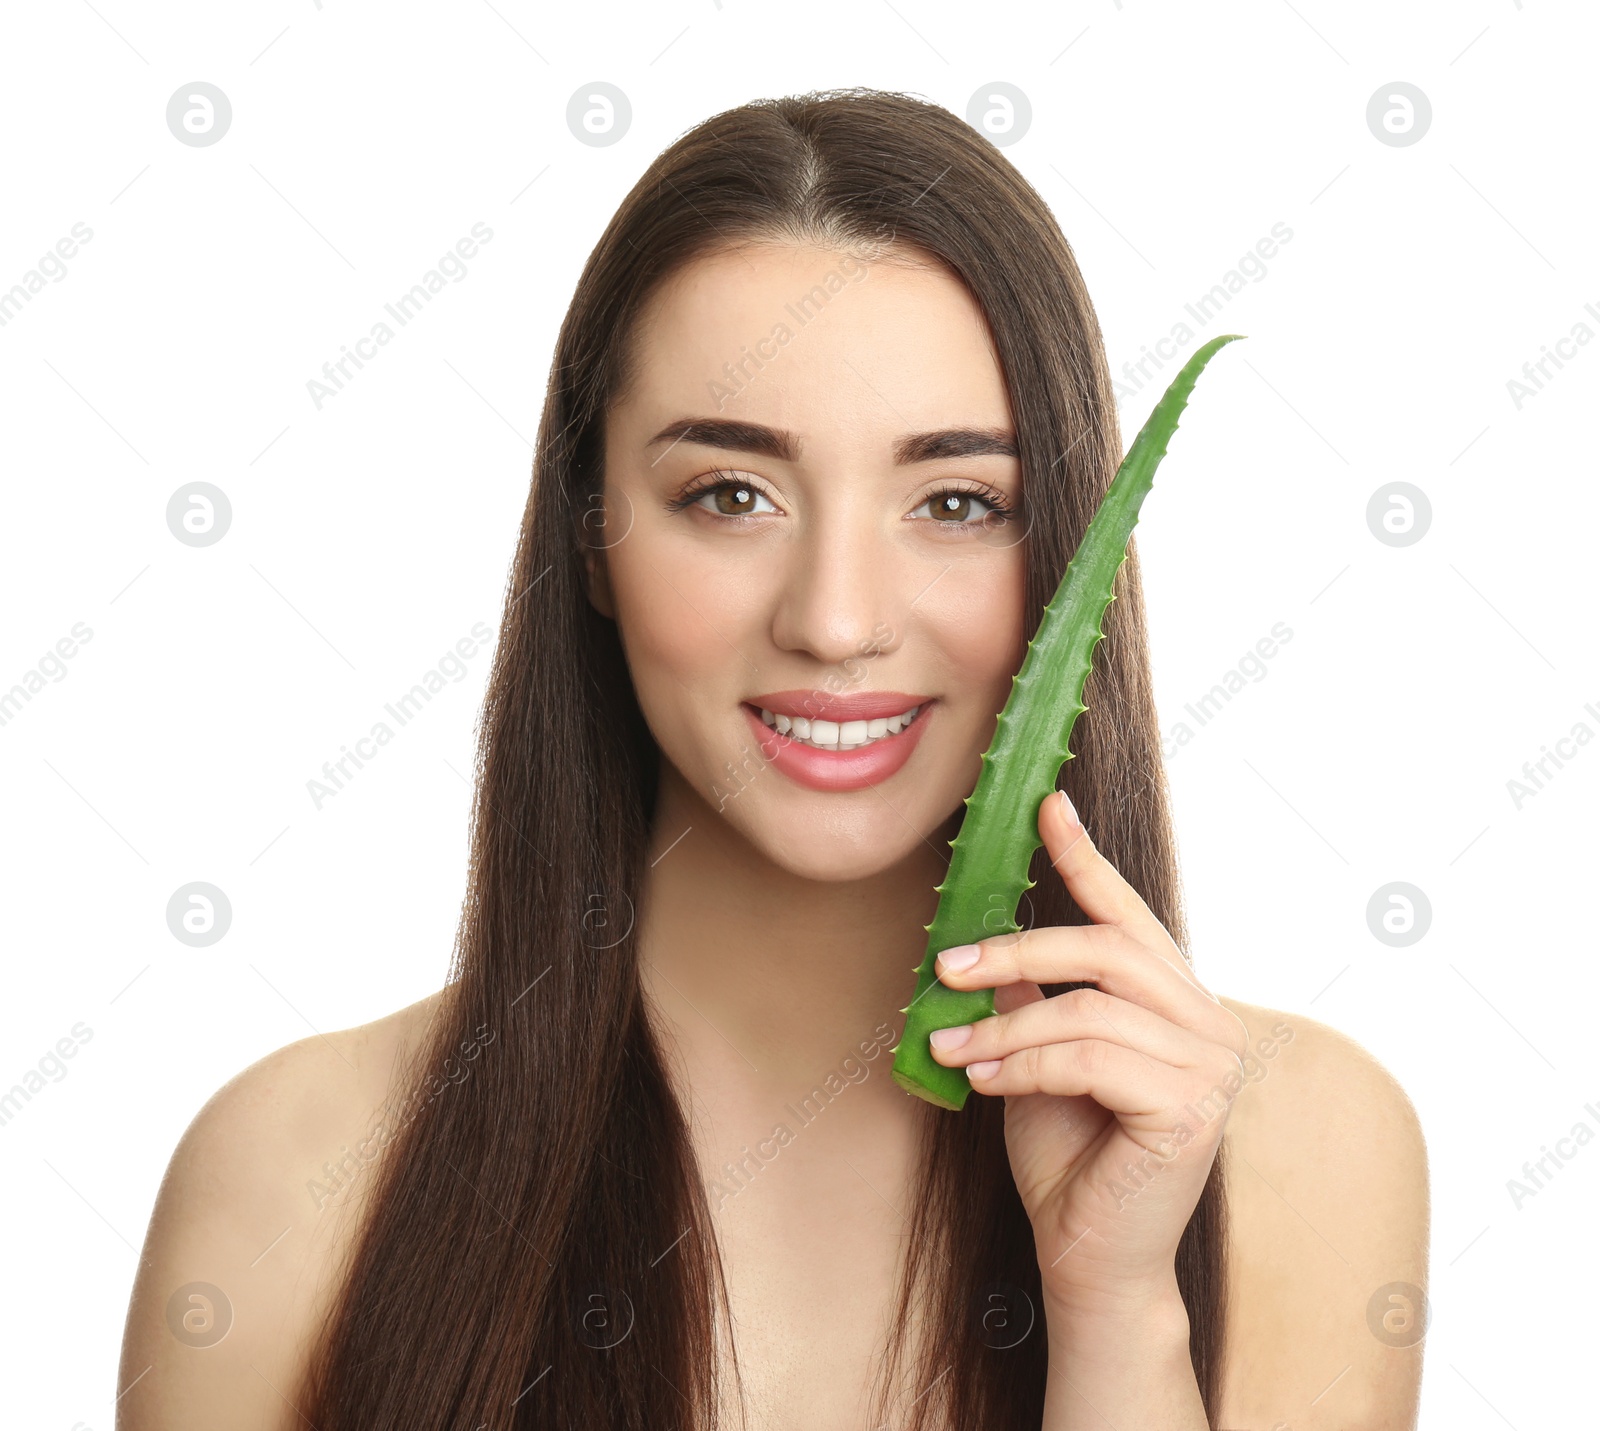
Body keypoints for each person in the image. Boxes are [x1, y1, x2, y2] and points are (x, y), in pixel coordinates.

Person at [117, 88, 1428, 1430]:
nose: (838, 619)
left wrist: (1119, 1318)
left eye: (958, 502)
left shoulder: (1294, 1147)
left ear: (1067, 561)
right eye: (730, 496)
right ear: (590, 539)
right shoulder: (293, 1174)